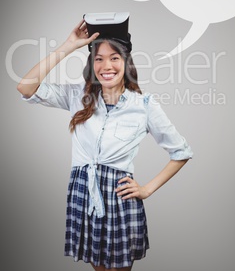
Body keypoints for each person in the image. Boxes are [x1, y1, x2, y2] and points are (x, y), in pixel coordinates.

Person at [17, 17, 193, 271]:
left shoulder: (143, 106)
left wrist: (147, 189)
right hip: (83, 196)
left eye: (114, 58)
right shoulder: (78, 95)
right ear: (92, 64)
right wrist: (68, 46)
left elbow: (181, 152)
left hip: (119, 200)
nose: (106, 65)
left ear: (126, 63)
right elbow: (25, 87)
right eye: (99, 58)